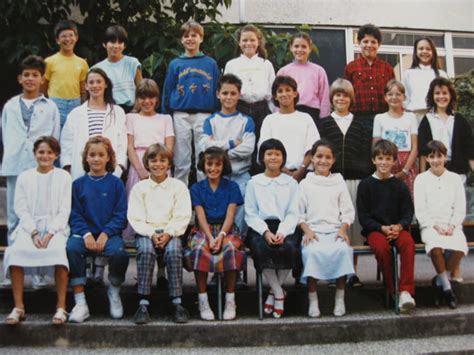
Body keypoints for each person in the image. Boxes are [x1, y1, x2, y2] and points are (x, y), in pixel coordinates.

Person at [1, 55, 60, 288]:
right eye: (26, 75)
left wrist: (49, 162)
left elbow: (53, 136)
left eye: (35, 75)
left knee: (40, 216)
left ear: (42, 79)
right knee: (15, 217)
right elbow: (6, 134)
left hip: (41, 169)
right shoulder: (10, 106)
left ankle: (38, 272)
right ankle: (11, 270)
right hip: (16, 166)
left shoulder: (50, 106)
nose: (30, 79)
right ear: (19, 78)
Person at [4, 137, 71, 325]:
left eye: (50, 152)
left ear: (56, 155)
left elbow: (65, 209)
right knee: (16, 252)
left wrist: (50, 233)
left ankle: (61, 307)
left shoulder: (64, 177)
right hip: (29, 226)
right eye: (41, 152)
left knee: (58, 251)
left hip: (55, 227)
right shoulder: (25, 177)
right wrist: (33, 232)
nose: (45, 156)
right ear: (35, 154)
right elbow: (21, 208)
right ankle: (18, 307)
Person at [66, 136, 129, 323]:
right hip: (84, 234)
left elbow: (120, 215)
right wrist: (86, 233)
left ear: (109, 158)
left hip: (108, 235)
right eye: (92, 155)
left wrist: (105, 233)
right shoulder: (78, 185)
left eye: (101, 155)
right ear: (85, 158)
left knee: (119, 253)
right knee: (72, 248)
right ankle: (80, 301)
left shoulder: (116, 184)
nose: (96, 159)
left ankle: (114, 291)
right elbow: (74, 214)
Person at [128, 144, 192, 324]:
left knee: (173, 252)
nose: (158, 164)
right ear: (147, 163)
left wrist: (169, 233)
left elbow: (182, 214)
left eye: (163, 160)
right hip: (146, 232)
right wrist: (151, 233)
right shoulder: (140, 188)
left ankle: (177, 301)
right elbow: (136, 216)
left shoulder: (177, 187)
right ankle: (143, 302)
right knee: (147, 252)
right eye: (153, 160)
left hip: (171, 232)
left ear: (169, 163)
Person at [318, 78, 372, 288]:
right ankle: (334, 272)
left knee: (353, 227)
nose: (341, 99)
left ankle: (352, 273)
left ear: (351, 99)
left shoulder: (359, 124)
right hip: (331, 182)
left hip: (354, 180)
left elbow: (366, 153)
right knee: (333, 224)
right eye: (337, 95)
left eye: (345, 95)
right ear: (332, 98)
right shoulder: (325, 123)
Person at [357, 140, 416, 313]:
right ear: (374, 160)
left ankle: (406, 291)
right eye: (380, 158)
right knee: (382, 248)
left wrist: (399, 226)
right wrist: (381, 228)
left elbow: (407, 213)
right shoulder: (366, 185)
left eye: (388, 158)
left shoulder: (399, 185)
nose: (384, 162)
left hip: (397, 228)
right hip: (375, 230)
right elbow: (364, 217)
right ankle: (393, 290)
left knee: (408, 244)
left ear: (394, 161)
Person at [299, 139, 355, 317]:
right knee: (312, 253)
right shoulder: (305, 184)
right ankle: (313, 300)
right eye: (319, 156)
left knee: (342, 250)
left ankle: (340, 298)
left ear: (333, 160)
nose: (323, 161)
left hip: (334, 230)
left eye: (327, 157)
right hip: (313, 231)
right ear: (312, 159)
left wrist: (343, 229)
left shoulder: (338, 182)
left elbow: (347, 211)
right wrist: (306, 230)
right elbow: (298, 213)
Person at [245, 139, 299, 318]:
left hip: (285, 226)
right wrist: (266, 232)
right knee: (261, 248)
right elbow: (250, 213)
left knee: (290, 247)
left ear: (283, 158)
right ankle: (278, 293)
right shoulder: (254, 182)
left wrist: (283, 232)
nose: (273, 157)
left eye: (277, 154)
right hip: (261, 227)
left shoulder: (291, 183)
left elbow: (293, 212)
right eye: (269, 154)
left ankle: (273, 293)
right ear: (262, 158)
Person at [189, 147, 245, 320]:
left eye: (217, 164)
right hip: (204, 229)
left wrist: (220, 236)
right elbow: (200, 215)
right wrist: (210, 237)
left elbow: (230, 215)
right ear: (203, 165)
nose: (213, 168)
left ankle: (230, 299)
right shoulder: (197, 188)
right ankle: (203, 299)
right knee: (199, 249)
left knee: (230, 248)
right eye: (209, 164)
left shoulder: (232, 187)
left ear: (224, 165)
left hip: (226, 229)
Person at [161, 20, 219, 185]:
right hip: (181, 114)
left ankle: (203, 197)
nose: (190, 39)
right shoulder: (176, 64)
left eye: (194, 35)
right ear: (181, 40)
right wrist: (166, 114)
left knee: (203, 158)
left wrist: (216, 114)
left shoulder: (210, 63)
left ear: (201, 38)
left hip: (204, 114)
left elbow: (216, 89)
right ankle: (181, 198)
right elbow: (168, 89)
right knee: (181, 161)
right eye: (186, 36)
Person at [414, 140, 468, 309]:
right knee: (435, 248)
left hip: (451, 224)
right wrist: (434, 225)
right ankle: (447, 289)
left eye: (439, 156)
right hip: (431, 225)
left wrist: (452, 225)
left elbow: (460, 207)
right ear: (427, 159)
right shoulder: (421, 179)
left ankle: (438, 279)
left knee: (459, 249)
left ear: (445, 157)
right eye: (432, 156)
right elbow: (420, 209)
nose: (436, 160)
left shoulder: (455, 179)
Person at [200, 73, 255, 234]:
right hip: (216, 176)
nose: (228, 97)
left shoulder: (246, 121)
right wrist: (231, 143)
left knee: (243, 202)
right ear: (218, 94)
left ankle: (237, 240)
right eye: (225, 93)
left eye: (233, 93)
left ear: (239, 95)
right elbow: (205, 147)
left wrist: (217, 149)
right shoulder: (210, 121)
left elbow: (248, 149)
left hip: (240, 175)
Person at [123, 78, 175, 246]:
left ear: (157, 99)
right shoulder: (131, 118)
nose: (146, 102)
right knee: (138, 202)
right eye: (142, 98)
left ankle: (161, 239)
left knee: (160, 204)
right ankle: (136, 241)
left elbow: (169, 148)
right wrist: (141, 171)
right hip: (138, 166)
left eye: (150, 97)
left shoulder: (165, 119)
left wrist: (160, 168)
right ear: (137, 99)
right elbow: (130, 147)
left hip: (160, 165)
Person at [60, 68, 127, 181]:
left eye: (99, 81)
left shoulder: (117, 112)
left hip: (110, 172)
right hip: (80, 172)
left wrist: (119, 167)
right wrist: (68, 168)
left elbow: (122, 144)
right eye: (91, 82)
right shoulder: (75, 113)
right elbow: (66, 144)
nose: (95, 85)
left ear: (105, 84)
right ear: (86, 86)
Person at [258, 76, 320, 182]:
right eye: (280, 91)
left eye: (288, 90)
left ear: (295, 93)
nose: (284, 94)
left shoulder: (305, 118)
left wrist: (301, 170)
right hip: (276, 175)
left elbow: (313, 148)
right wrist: (282, 169)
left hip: (303, 175)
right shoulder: (269, 120)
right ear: (275, 96)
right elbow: (264, 149)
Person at [224, 24, 275, 143]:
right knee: (241, 141)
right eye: (244, 40)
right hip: (240, 107)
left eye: (252, 40)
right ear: (239, 42)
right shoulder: (232, 64)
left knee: (261, 141)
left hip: (262, 109)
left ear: (258, 42)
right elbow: (226, 89)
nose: (248, 43)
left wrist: (272, 111)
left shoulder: (266, 64)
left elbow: (272, 90)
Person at [344, 24, 395, 135]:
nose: (369, 45)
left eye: (373, 42)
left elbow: (393, 93)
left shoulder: (387, 68)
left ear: (379, 44)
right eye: (365, 41)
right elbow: (346, 94)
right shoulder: (351, 67)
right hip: (358, 118)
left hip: (383, 117)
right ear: (359, 43)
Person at [373, 80, 418, 196]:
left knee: (407, 197)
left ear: (404, 97)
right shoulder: (379, 118)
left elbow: (415, 146)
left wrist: (405, 170)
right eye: (390, 94)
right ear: (385, 97)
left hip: (407, 163)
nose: (394, 97)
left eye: (398, 94)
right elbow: (375, 146)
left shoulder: (411, 117)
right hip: (386, 163)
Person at [277, 32, 330, 129]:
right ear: (291, 47)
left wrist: (323, 118)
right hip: (289, 111)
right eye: (296, 46)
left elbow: (324, 97)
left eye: (304, 46)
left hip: (312, 113)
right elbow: (277, 94)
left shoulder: (318, 71)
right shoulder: (284, 71)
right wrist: (278, 113)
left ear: (310, 49)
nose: (300, 50)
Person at [43, 20, 89, 128]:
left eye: (71, 35)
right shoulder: (49, 61)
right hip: (55, 102)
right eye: (63, 36)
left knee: (73, 133)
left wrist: (82, 106)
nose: (68, 39)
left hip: (75, 103)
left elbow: (83, 90)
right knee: (55, 134)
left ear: (76, 38)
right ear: (57, 40)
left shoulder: (82, 63)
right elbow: (43, 88)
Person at [92, 24, 143, 113]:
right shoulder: (97, 68)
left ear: (125, 45)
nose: (116, 46)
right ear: (104, 44)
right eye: (112, 42)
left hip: (131, 110)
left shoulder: (132, 63)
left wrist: (134, 111)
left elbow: (142, 90)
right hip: (107, 111)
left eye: (120, 42)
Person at [403, 37, 448, 123]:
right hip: (414, 117)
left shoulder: (441, 74)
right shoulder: (408, 74)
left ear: (433, 52)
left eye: (428, 49)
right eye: (421, 48)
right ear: (416, 52)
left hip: (437, 116)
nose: (424, 51)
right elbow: (405, 98)